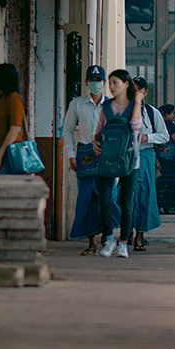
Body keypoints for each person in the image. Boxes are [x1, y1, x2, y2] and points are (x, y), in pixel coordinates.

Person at [91, 70, 144, 259]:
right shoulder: (106, 106)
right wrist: (96, 143)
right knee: (105, 200)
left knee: (126, 202)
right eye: (110, 83)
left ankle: (123, 243)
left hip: (130, 160)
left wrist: (137, 102)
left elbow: (136, 126)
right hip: (107, 158)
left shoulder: (134, 105)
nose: (111, 87)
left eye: (115, 83)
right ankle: (109, 239)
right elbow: (98, 130)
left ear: (126, 84)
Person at [64, 65, 109, 254]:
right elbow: (66, 130)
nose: (95, 84)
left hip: (107, 154)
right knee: (87, 197)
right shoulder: (77, 104)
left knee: (107, 196)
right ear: (86, 83)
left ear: (104, 83)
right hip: (84, 154)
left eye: (99, 81)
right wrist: (71, 155)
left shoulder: (111, 105)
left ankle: (107, 237)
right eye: (92, 81)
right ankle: (91, 242)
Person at [127, 76, 169, 252]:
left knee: (145, 195)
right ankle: (126, 231)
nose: (135, 93)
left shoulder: (152, 113)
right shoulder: (122, 110)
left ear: (145, 92)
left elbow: (164, 136)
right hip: (126, 155)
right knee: (128, 195)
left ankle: (140, 235)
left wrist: (147, 137)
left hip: (145, 155)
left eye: (139, 90)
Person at [156, 104, 175, 214]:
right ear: (166, 114)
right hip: (172, 158)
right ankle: (171, 206)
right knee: (173, 182)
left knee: (162, 182)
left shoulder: (158, 124)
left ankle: (161, 205)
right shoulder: (170, 125)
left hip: (161, 156)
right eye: (173, 112)